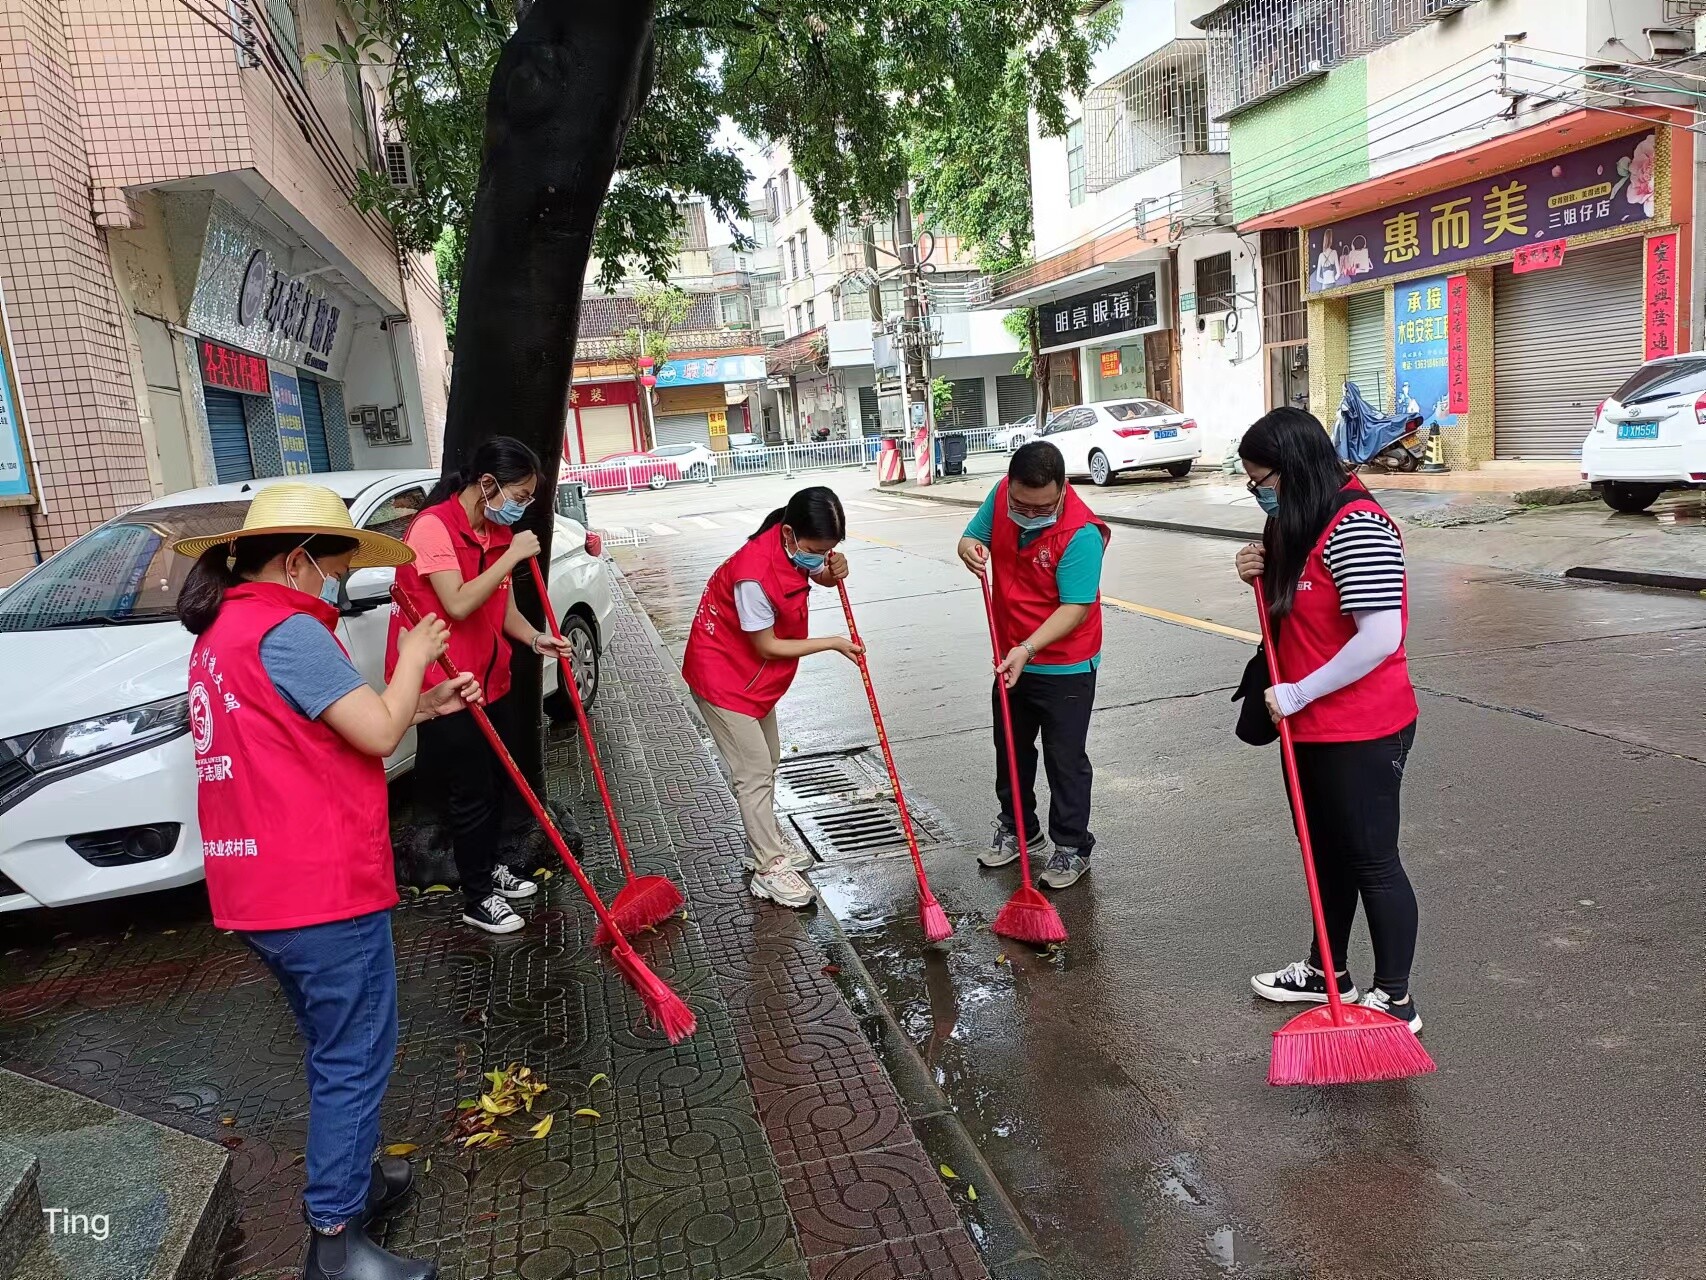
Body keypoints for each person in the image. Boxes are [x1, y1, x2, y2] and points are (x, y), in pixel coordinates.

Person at [175, 483, 481, 1280]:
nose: (339, 586)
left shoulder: (227, 631)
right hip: (317, 886)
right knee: (356, 1053)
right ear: (300, 561)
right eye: (337, 569)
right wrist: (414, 656)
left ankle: (360, 1178)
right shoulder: (288, 630)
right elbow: (374, 727)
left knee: (334, 1043)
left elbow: (329, 725)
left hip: (258, 888)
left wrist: (426, 702)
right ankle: (335, 1241)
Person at [1234, 406, 1424, 1032]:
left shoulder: (1357, 524)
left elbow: (1379, 636)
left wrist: (1299, 693)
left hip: (1362, 726)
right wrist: (1255, 572)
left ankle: (1394, 996)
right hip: (1310, 725)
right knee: (1324, 853)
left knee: (1371, 858)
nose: (1257, 491)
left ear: (1290, 471)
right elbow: (1302, 607)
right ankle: (1326, 970)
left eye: (1261, 479)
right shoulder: (1300, 520)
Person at [385, 437, 572, 935]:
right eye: (521, 494)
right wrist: (510, 557)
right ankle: (476, 896)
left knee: (494, 786)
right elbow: (460, 602)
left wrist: (536, 640)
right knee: (470, 795)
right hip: (445, 685)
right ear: (487, 484)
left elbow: (500, 609)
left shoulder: (490, 530)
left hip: (492, 682)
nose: (523, 506)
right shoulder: (432, 528)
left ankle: (488, 870)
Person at [681, 486, 858, 907]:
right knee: (754, 770)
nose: (820, 555)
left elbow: (806, 572)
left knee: (769, 757)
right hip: (723, 677)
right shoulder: (752, 575)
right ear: (791, 534)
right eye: (817, 549)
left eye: (830, 549)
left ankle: (762, 843)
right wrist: (832, 642)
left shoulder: (790, 545)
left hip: (753, 678)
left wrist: (828, 574)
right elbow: (767, 645)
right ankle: (768, 865)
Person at [957, 440, 1109, 890]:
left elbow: (1075, 608)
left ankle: (1071, 846)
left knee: (1066, 760)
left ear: (1062, 490)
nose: (1029, 512)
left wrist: (1029, 648)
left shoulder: (1081, 534)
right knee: (1011, 750)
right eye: (1021, 503)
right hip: (1010, 655)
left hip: (1065, 663)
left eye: (1043, 506)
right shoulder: (1004, 495)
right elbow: (973, 535)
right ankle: (1019, 829)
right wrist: (967, 547)